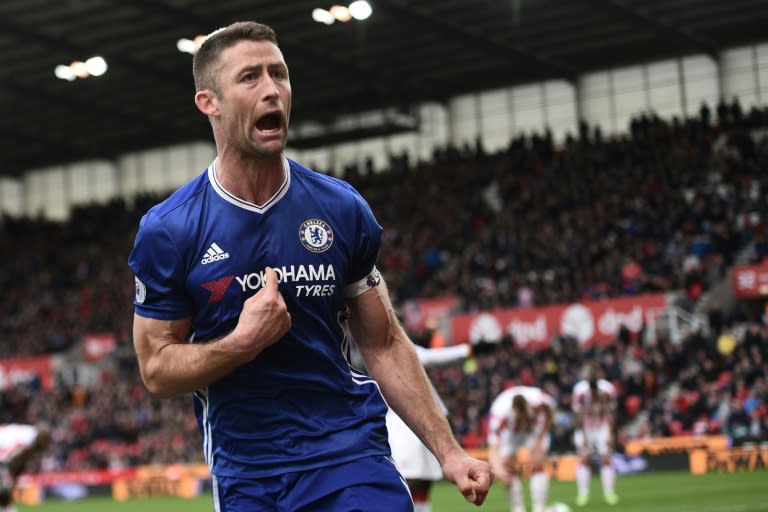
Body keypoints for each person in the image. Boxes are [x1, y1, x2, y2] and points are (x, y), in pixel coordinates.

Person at [127, 21, 492, 511]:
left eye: (279, 74)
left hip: (347, 456)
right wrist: (242, 343)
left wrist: (447, 452)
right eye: (250, 78)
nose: (273, 90)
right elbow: (156, 368)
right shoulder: (170, 230)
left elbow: (382, 342)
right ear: (208, 102)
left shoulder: (340, 209)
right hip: (247, 472)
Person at [385, 340, 498, 512]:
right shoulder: (393, 349)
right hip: (403, 429)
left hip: (421, 428)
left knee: (422, 484)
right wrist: (469, 349)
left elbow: (443, 414)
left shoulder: (424, 387)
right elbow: (430, 357)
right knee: (409, 483)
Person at [487, 385, 555, 512]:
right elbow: (493, 447)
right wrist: (498, 468)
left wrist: (540, 439)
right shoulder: (500, 412)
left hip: (533, 430)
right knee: (507, 467)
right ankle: (518, 509)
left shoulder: (539, 400)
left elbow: (550, 413)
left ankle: (539, 508)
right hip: (511, 433)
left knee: (538, 461)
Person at [571, 364, 619, 506]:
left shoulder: (608, 390)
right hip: (586, 426)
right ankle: (583, 494)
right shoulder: (579, 391)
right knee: (584, 458)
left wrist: (610, 433)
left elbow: (612, 412)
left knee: (606, 457)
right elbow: (577, 415)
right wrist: (584, 437)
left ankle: (609, 492)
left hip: (602, 426)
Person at [0, 423, 51, 512]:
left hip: (7, 453)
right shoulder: (27, 439)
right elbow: (6, 457)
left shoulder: (32, 438)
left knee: (5, 485)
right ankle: (6, 508)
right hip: (5, 452)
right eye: (46, 441)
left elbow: (18, 463)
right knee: (4, 485)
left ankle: (6, 507)